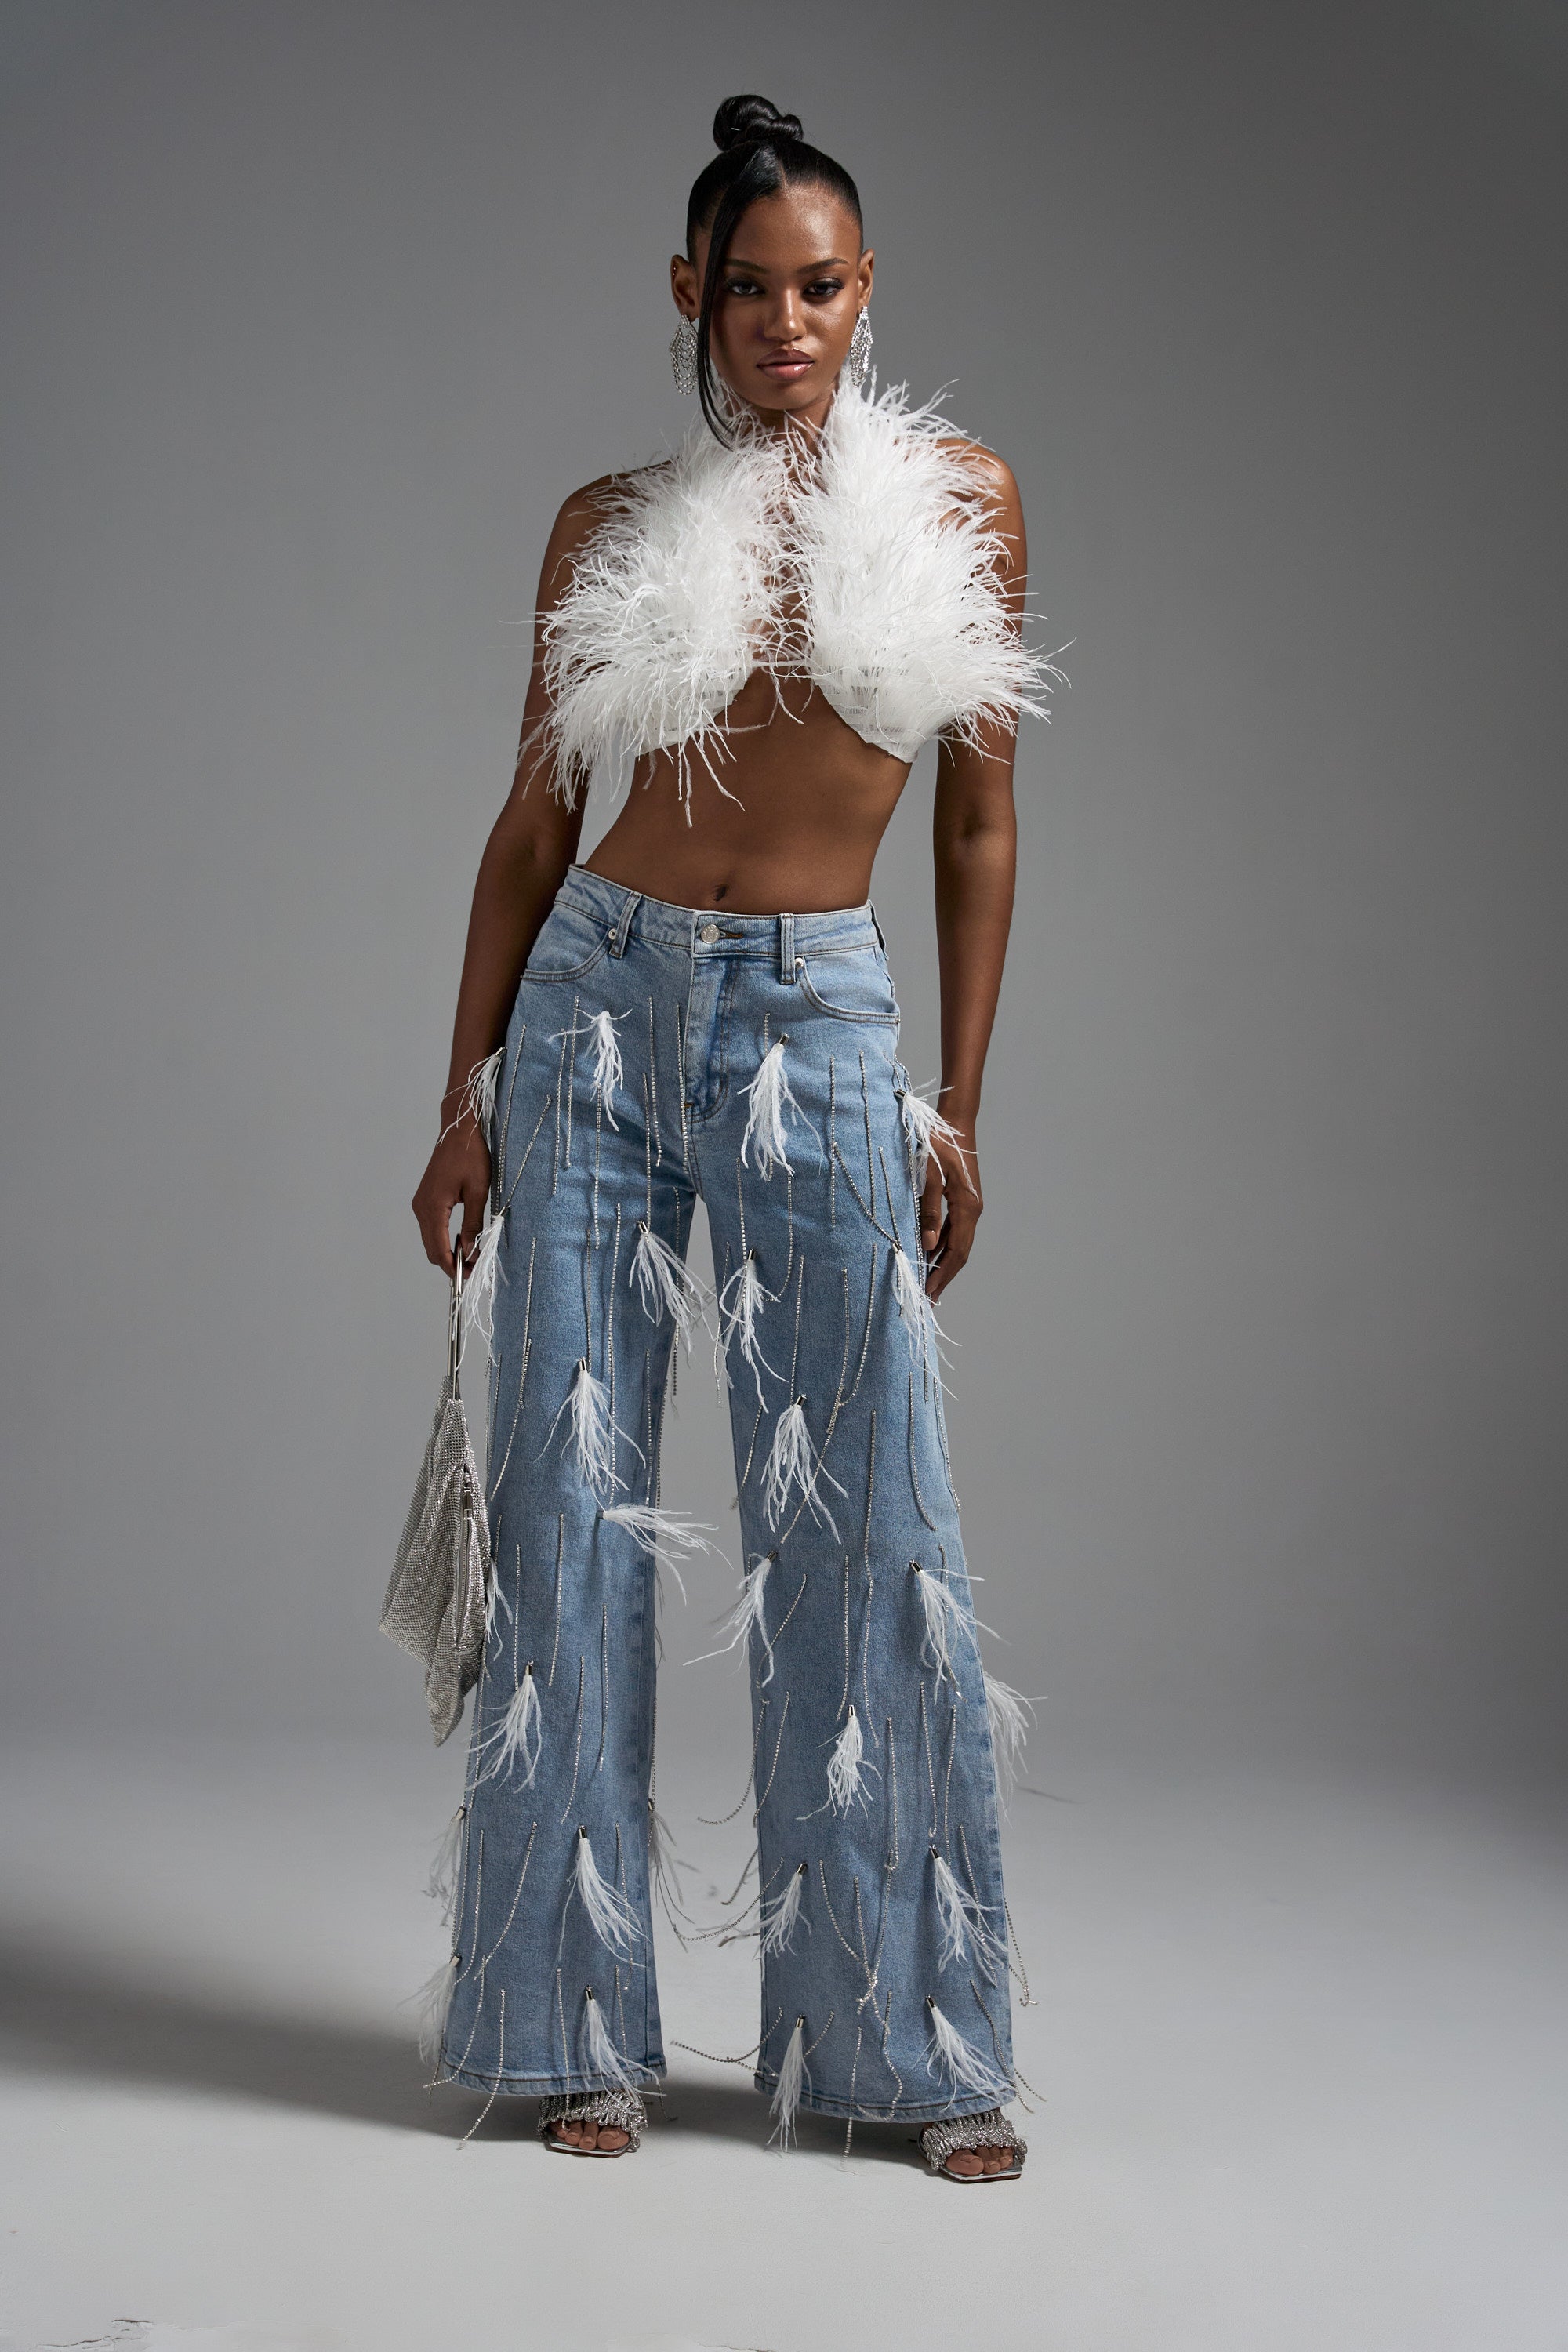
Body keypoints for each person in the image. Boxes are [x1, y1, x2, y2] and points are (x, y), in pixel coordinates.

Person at [410, 93, 1054, 2181]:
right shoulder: (609, 522)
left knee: (869, 1538)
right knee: (570, 1518)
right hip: (597, 1009)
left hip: (816, 1017)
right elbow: (533, 820)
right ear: (692, 296)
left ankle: (913, 2051)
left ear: (867, 294)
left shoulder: (962, 501)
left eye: (826, 287)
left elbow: (974, 819)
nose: (790, 324)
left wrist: (957, 1092)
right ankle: (565, 2026)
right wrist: (464, 1087)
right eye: (754, 290)